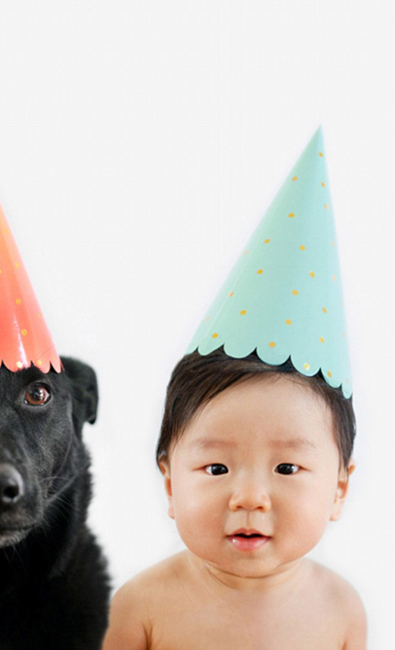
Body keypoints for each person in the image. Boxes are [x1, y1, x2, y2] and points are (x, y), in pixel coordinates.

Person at [102, 129, 367, 649]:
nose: (249, 497)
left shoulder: (342, 610)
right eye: (216, 468)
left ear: (338, 488)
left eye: (287, 467)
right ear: (171, 484)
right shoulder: (141, 607)